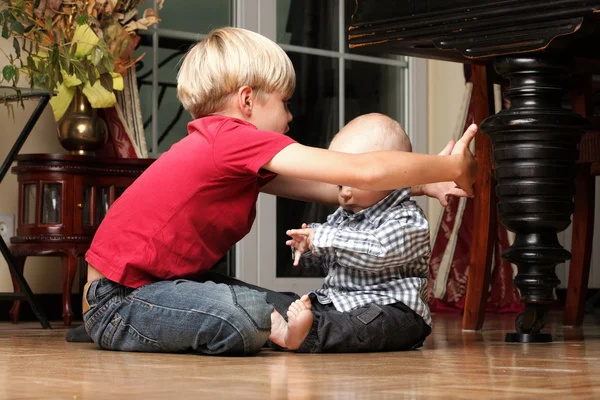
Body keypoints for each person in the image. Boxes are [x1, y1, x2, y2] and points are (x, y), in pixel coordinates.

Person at [80, 27, 478, 356]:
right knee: (247, 317)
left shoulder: (221, 149)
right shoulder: (232, 137)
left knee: (282, 305)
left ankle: (157, 326)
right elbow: (364, 170)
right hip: (118, 301)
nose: (290, 117)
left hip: (149, 291)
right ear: (248, 100)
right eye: (285, 103)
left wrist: (422, 184)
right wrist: (450, 166)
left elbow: (339, 188)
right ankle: (130, 329)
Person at [269, 114, 433, 353]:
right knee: (296, 304)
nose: (344, 194)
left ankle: (305, 332)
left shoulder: (407, 218)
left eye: (352, 182)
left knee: (369, 324)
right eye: (338, 184)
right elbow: (335, 259)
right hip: (340, 303)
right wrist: (308, 248)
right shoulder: (343, 214)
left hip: (394, 309)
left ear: (393, 174)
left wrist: (324, 238)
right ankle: (286, 327)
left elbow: (377, 250)